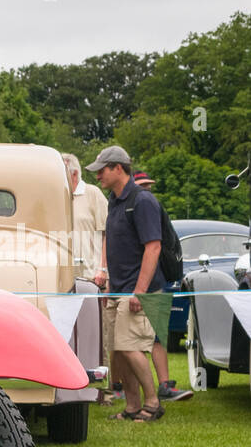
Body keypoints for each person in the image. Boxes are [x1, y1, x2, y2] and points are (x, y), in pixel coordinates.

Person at [87, 145, 165, 421]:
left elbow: (153, 247)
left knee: (130, 347)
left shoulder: (142, 201)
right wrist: (107, 278)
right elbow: (110, 238)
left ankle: (153, 403)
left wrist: (139, 291)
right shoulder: (114, 200)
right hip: (117, 287)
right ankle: (132, 406)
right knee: (118, 351)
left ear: (118, 168)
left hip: (138, 289)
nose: (98, 176)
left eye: (102, 171)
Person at [132, 171, 192, 402]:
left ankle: (161, 387)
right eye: (142, 185)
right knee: (131, 340)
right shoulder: (144, 207)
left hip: (155, 280)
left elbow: (153, 247)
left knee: (156, 336)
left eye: (148, 185)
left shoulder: (148, 207)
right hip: (148, 281)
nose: (146, 189)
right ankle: (125, 387)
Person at [63, 152, 112, 402]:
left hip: (92, 274)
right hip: (65, 275)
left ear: (73, 173)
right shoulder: (59, 196)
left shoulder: (92, 194)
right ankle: (72, 383)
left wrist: (102, 269)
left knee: (96, 332)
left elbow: (106, 233)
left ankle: (102, 389)